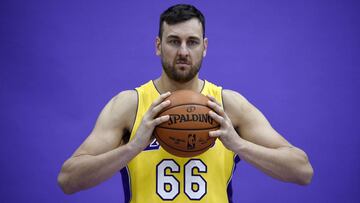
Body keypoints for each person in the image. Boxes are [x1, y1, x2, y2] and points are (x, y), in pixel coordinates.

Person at [57, 4, 313, 203]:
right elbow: (68, 180)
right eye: (173, 41)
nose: (183, 51)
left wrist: (239, 145)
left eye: (192, 42)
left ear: (205, 47)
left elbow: (302, 171)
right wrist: (132, 147)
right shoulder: (130, 105)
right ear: (158, 46)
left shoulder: (227, 105)